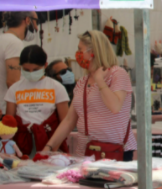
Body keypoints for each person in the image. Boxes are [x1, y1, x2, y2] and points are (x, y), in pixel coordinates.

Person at [43, 30, 137, 160]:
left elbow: (115, 107)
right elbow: (70, 120)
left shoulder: (118, 74)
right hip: (86, 152)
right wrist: (49, 147)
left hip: (114, 151)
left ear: (93, 51)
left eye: (80, 49)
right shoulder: (83, 81)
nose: (77, 54)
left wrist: (99, 80)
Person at [5, 46, 70, 157]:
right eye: (26, 70)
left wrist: (53, 148)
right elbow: (8, 122)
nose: (31, 73)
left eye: (35, 70)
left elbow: (66, 122)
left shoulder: (56, 87)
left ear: (45, 65)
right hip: (23, 144)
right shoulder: (14, 89)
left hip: (50, 142)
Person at [0, 11, 38, 112]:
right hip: (6, 107)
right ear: (27, 20)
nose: (36, 27)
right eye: (35, 21)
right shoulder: (14, 43)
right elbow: (12, 82)